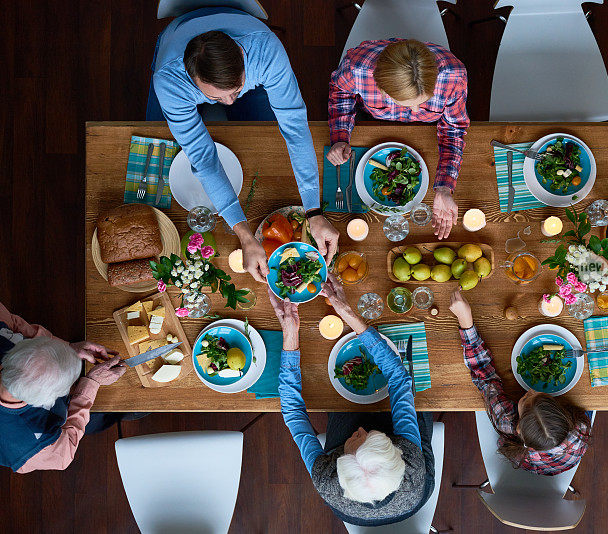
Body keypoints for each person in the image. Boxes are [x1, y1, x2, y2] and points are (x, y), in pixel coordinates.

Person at [147, 7, 339, 278]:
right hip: (176, 45)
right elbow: (203, 158)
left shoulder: (266, 51)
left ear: (240, 54)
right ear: (193, 79)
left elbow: (295, 129)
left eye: (235, 92)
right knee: (159, 136)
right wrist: (245, 235)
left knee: (261, 130)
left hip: (253, 62)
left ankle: (227, 89)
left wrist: (314, 211)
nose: (228, 104)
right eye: (216, 98)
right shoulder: (170, 80)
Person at [273, 280, 434, 526]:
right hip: (409, 496)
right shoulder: (412, 462)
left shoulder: (326, 479)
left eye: (356, 439)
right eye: (367, 436)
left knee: (342, 412)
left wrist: (290, 335)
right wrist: (349, 314)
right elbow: (401, 381)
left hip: (358, 508)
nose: (360, 430)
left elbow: (294, 414)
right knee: (416, 409)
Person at [327, 39, 469, 239]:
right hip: (372, 122)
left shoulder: (453, 78)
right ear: (382, 90)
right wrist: (340, 137)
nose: (417, 111)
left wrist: (445, 188)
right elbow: (340, 94)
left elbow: (454, 130)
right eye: (408, 104)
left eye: (424, 103)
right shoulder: (357, 70)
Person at [449, 289, 592, 474]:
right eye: (541, 396)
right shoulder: (579, 429)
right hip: (561, 460)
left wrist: (466, 321)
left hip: (534, 462)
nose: (531, 390)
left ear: (518, 429)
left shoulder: (505, 420)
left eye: (524, 400)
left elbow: (484, 374)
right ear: (563, 413)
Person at [0, 302, 127, 473]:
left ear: (19, 347)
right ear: (46, 400)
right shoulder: (31, 449)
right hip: (65, 420)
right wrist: (90, 384)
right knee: (120, 410)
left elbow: (13, 325)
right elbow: (66, 449)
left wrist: (68, 348)